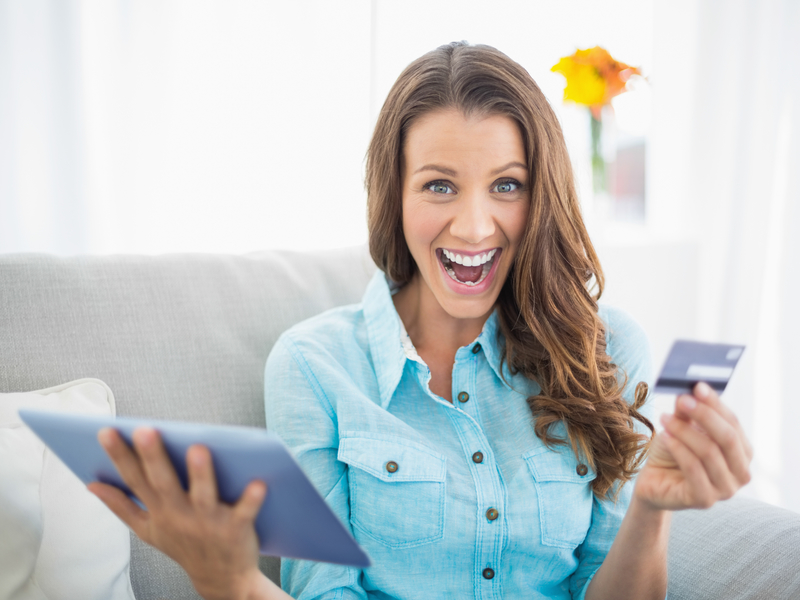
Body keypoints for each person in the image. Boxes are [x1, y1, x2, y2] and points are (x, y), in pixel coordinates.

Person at [91, 42, 753, 600]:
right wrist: (231, 580)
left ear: (541, 194)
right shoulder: (316, 366)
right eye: (439, 185)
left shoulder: (607, 349)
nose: (473, 225)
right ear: (395, 194)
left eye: (507, 185)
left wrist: (651, 509)